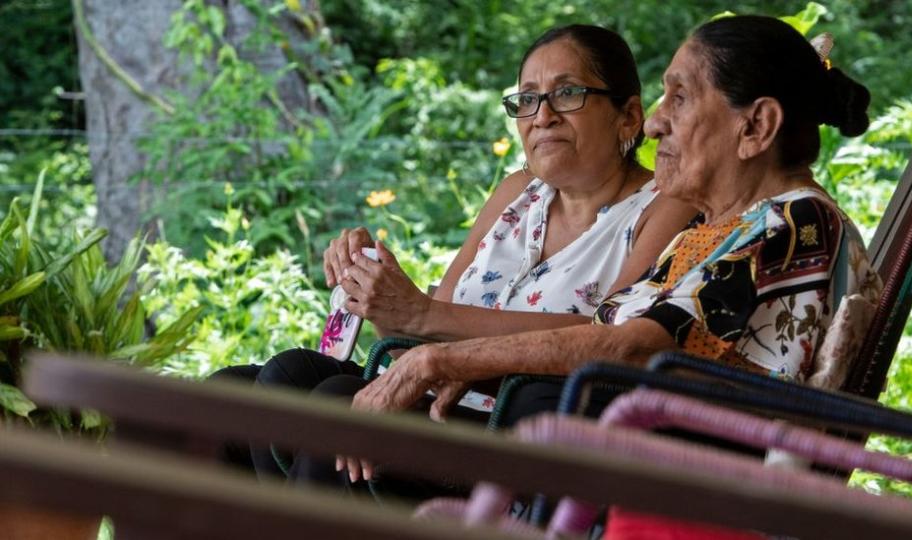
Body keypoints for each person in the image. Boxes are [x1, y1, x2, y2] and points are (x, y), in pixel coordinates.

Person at [339, 14, 882, 496]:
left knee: (338, 446)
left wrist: (444, 357)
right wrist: (473, 367)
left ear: (756, 126)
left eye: (680, 97)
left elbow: (630, 352)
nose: (654, 122)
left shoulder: (793, 221)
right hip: (604, 460)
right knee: (326, 420)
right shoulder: (726, 228)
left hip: (672, 487)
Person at [213, 24, 696, 481]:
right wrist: (378, 292)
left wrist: (423, 315)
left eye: (567, 94)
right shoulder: (517, 193)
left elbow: (613, 336)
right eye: (527, 99)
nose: (542, 115)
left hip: (513, 426)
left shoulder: (663, 207)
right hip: (436, 399)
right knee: (248, 389)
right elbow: (417, 339)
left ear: (628, 116)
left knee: (332, 405)